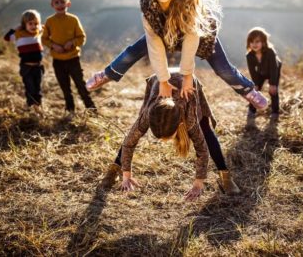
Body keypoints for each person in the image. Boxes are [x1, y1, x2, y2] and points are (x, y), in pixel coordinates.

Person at [86, 0, 268, 110]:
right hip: (165, 35)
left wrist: (187, 76)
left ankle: (248, 91)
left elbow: (191, 41)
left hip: (199, 35)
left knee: (223, 69)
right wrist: (163, 81)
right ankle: (107, 74)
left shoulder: (190, 6)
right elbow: (155, 46)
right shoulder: (149, 10)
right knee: (133, 51)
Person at [100, 73, 241, 200]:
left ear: (180, 124)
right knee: (134, 132)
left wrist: (198, 183)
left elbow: (201, 150)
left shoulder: (189, 118)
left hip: (188, 84)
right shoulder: (149, 114)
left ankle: (225, 176)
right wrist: (127, 175)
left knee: (206, 131)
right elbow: (130, 142)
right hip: (160, 79)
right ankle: (114, 169)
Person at [41, 0, 96, 115]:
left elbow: (82, 38)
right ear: (52, 5)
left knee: (80, 85)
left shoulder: (73, 20)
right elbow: (44, 39)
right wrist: (53, 45)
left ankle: (91, 108)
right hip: (58, 61)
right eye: (57, 2)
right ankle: (70, 110)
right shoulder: (50, 21)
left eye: (62, 2)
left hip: (73, 59)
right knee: (65, 87)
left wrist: (72, 42)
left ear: (68, 4)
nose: (60, 5)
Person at [4, 9, 44, 113]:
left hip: (38, 67)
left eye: (36, 23)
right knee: (30, 88)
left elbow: (49, 29)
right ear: (24, 24)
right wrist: (14, 29)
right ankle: (30, 107)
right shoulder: (19, 34)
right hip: (26, 68)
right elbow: (7, 38)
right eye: (30, 23)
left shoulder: (39, 32)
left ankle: (38, 107)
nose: (33, 26)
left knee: (38, 88)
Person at [245, 27, 282, 118]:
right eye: (252, 42)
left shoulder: (270, 52)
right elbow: (252, 71)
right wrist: (256, 84)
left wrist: (273, 83)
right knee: (255, 90)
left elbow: (274, 68)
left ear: (264, 42)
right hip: (260, 72)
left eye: (257, 41)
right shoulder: (249, 56)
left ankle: (275, 112)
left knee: (273, 91)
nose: (254, 44)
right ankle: (252, 111)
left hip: (273, 71)